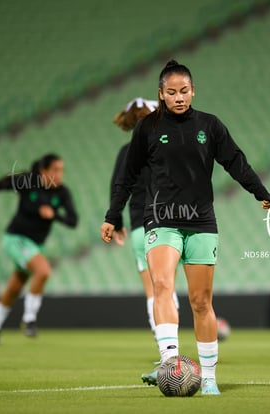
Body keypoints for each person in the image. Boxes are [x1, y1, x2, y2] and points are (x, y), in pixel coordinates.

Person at [101, 60, 270, 395]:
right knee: (163, 285)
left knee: (200, 301)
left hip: (201, 222)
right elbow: (127, 176)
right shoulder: (148, 129)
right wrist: (112, 215)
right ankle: (171, 362)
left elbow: (235, 161)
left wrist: (260, 192)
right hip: (161, 219)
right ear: (161, 95)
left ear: (193, 91)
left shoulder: (210, 125)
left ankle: (208, 376)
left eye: (184, 91)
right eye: (171, 92)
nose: (178, 97)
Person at [0, 153, 78, 344]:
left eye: (61, 170)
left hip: (35, 245)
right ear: (43, 171)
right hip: (16, 238)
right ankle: (29, 320)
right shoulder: (28, 182)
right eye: (55, 170)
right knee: (43, 271)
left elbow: (73, 221)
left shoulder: (62, 192)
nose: (60, 174)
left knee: (15, 286)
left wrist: (54, 215)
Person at [111, 97, 179, 344]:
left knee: (154, 290)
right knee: (168, 286)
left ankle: (166, 351)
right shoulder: (165, 147)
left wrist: (115, 222)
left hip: (141, 225)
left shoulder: (126, 152)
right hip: (172, 222)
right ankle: (172, 350)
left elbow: (118, 188)